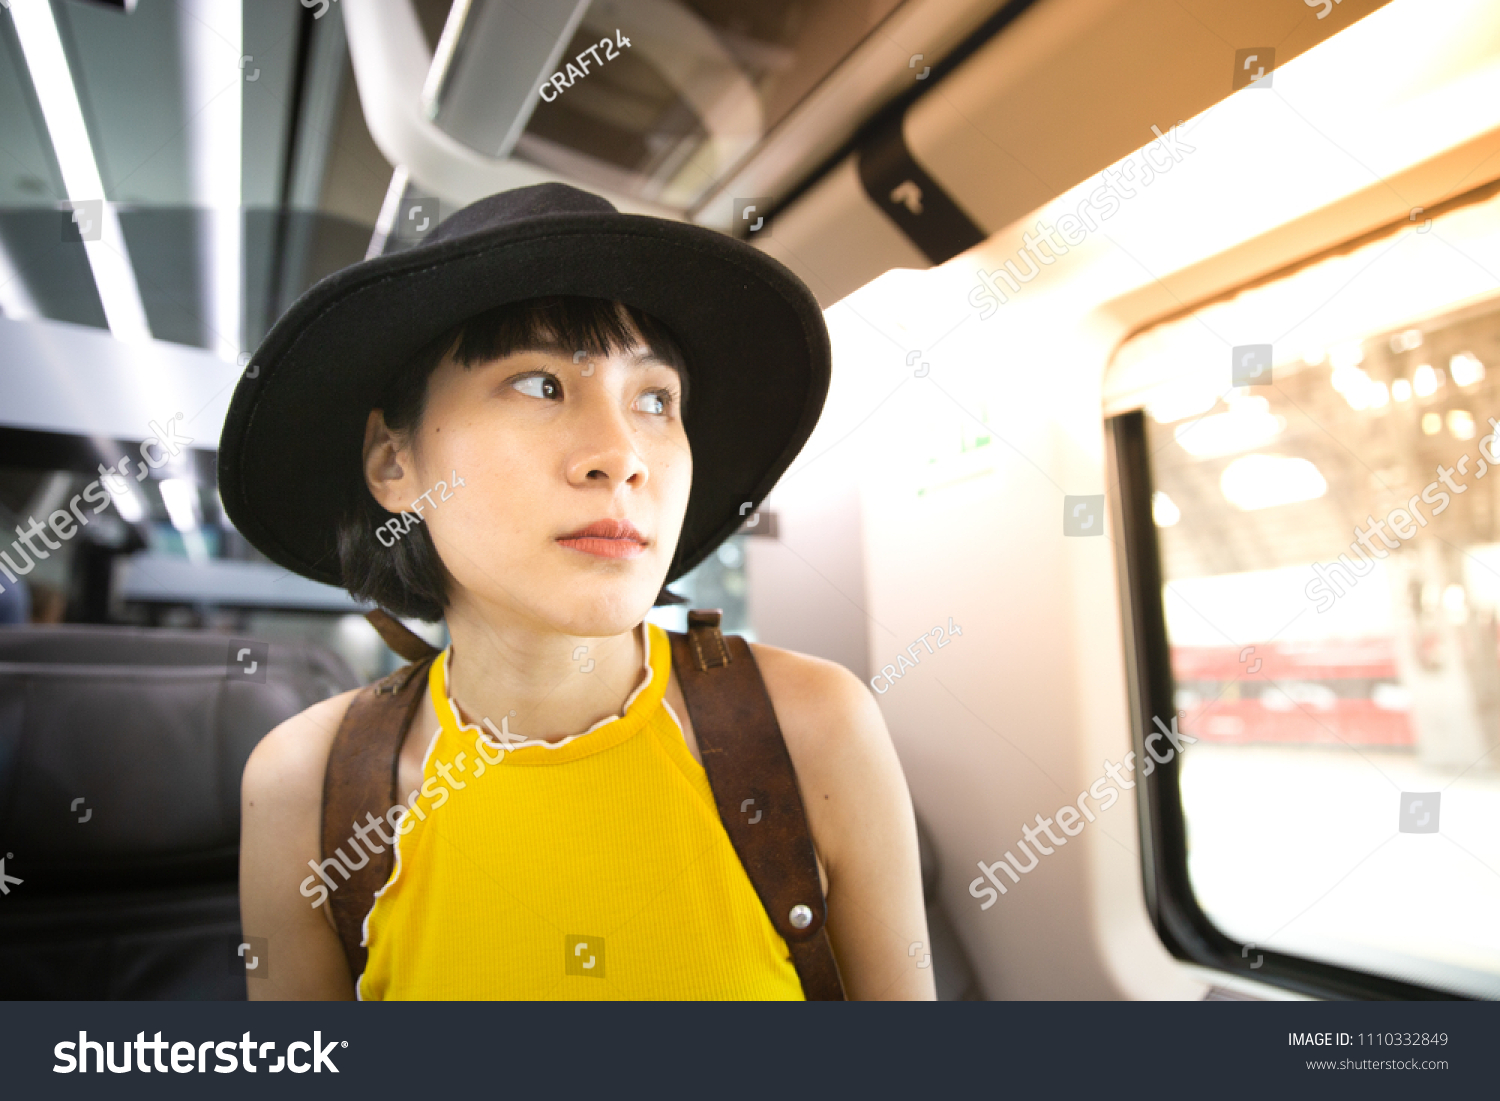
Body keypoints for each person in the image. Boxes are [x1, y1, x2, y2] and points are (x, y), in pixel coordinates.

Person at [226, 183, 932, 1000]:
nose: (622, 453)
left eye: (656, 400)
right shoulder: (304, 788)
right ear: (395, 463)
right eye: (540, 384)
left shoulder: (812, 728)